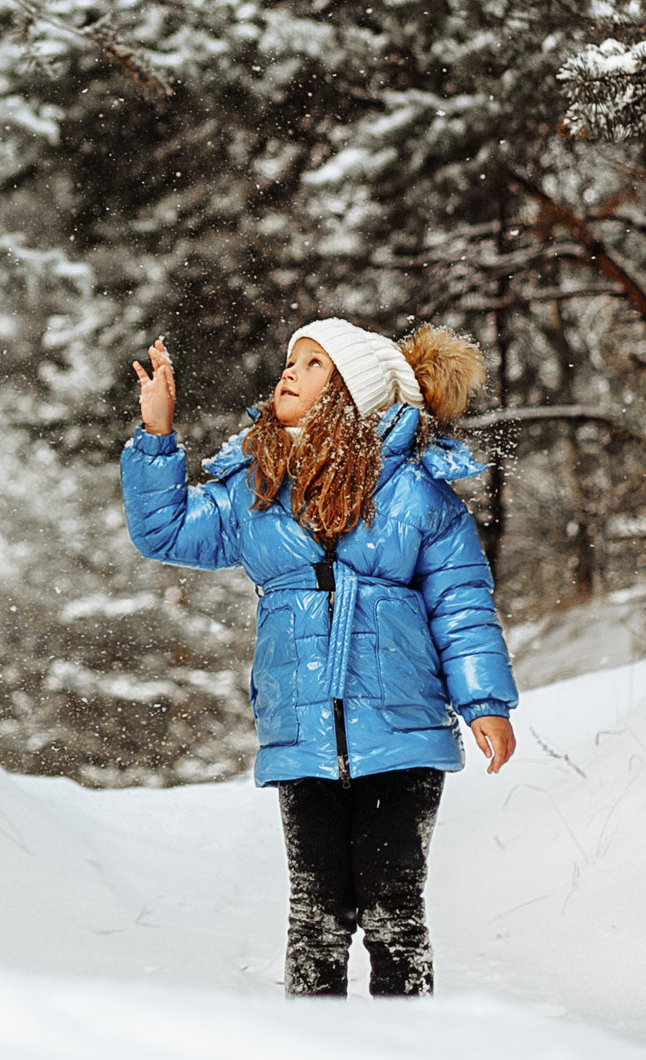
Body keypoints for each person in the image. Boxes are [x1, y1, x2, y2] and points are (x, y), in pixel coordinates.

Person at [122, 320, 518, 998]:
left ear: (352, 393)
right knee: (317, 915)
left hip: (403, 731)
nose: (288, 371)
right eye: (288, 360)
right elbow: (163, 529)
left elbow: (462, 604)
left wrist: (484, 701)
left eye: (311, 363)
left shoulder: (416, 491)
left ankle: (409, 1043)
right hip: (302, 734)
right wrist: (157, 435)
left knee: (394, 910)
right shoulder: (256, 488)